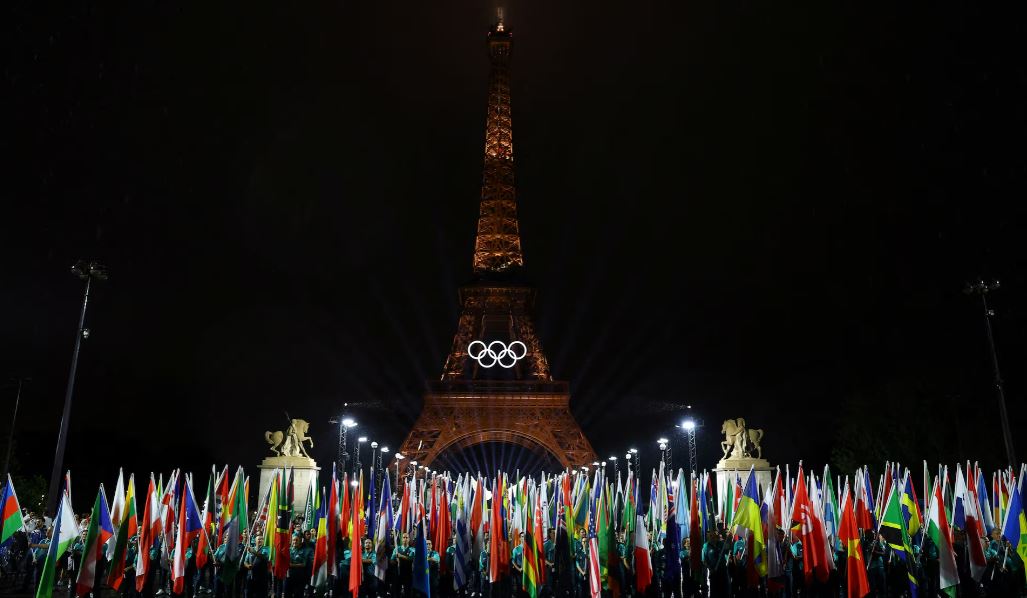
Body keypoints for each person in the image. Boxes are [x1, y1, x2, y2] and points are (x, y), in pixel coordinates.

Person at [393, 532, 415, 598]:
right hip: (398, 572)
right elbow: (391, 560)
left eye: (407, 537)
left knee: (408, 592)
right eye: (404, 537)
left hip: (408, 573)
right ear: (402, 539)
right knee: (397, 592)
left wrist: (401, 556)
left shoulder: (412, 549)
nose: (405, 539)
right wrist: (395, 559)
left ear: (409, 539)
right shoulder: (396, 549)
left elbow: (411, 559)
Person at [511, 533, 524, 598]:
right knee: (520, 587)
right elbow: (513, 561)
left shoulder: (530, 549)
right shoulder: (516, 549)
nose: (523, 538)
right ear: (519, 538)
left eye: (524, 536)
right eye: (522, 536)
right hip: (519, 572)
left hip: (528, 572)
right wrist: (519, 569)